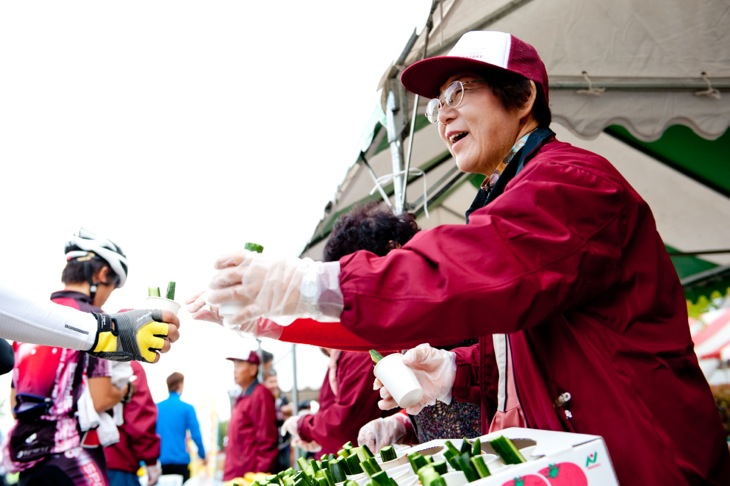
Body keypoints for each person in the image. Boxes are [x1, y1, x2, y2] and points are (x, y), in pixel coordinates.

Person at [202, 30, 730, 484]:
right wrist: (457, 372)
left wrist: (310, 285)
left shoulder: (571, 183)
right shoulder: (513, 191)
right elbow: (526, 352)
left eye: (459, 91)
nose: (442, 113)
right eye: (436, 105)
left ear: (522, 97)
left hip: (647, 459)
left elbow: (478, 269)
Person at [2, 228, 136, 485]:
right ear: (102, 274)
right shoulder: (95, 320)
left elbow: (14, 404)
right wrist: (124, 390)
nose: (109, 294)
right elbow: (99, 398)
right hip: (72, 461)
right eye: (113, 286)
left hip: (27, 460)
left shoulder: (32, 323)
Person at [0, 281, 179, 362]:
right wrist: (107, 332)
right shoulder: (88, 311)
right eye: (113, 286)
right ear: (102, 275)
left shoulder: (21, 343)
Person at [223, 349, 278, 481]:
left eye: (239, 365)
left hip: (249, 477)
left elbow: (267, 440)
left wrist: (259, 477)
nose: (234, 370)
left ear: (253, 369)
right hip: (236, 475)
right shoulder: (241, 397)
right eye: (234, 366)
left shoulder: (261, 395)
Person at [104, 361, 162, 486]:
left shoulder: (69, 357)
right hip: (118, 462)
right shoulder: (126, 364)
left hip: (69, 463)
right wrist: (151, 461)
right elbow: (139, 419)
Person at [156, 372, 206, 483]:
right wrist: (202, 454)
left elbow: (150, 436)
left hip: (162, 464)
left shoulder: (157, 408)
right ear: (180, 385)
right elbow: (196, 434)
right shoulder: (187, 408)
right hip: (181, 463)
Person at [262, 368, 293, 473]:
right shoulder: (263, 401)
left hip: (284, 446)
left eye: (276, 381)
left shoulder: (282, 399)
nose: (274, 385)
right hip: (270, 449)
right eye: (271, 382)